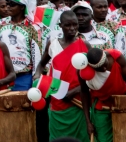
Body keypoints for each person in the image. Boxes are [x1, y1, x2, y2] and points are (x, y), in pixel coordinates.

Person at [34, 10, 88, 141]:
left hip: (79, 101)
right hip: (57, 98)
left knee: (81, 136)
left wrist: (73, 91)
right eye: (68, 25)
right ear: (60, 26)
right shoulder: (52, 44)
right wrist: (37, 78)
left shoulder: (84, 44)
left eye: (75, 25)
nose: (72, 28)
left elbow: (92, 75)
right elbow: (41, 65)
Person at [80, 46, 126, 142]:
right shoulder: (83, 70)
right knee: (103, 139)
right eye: (100, 69)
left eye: (105, 65)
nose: (104, 69)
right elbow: (84, 93)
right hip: (102, 106)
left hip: (124, 102)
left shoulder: (116, 56)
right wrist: (88, 122)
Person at [0, 0, 41, 90]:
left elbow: (37, 55)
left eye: (12, 4)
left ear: (22, 7)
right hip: (1, 75)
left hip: (23, 77)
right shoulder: (0, 23)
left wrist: (36, 77)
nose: (7, 7)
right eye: (7, 3)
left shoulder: (34, 27)